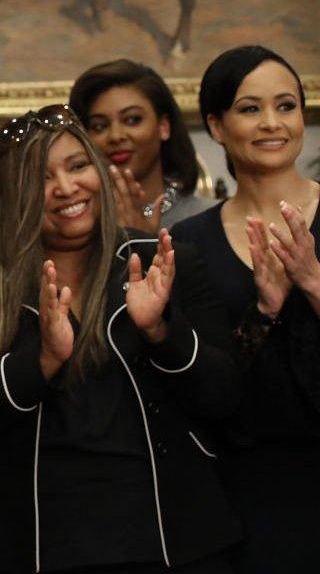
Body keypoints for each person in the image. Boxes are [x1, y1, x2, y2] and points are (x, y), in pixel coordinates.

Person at [0, 106, 241, 573]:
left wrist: (161, 332)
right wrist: (40, 362)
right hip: (34, 540)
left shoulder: (164, 260)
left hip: (169, 535)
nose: (66, 188)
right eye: (42, 177)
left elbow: (225, 397)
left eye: (78, 166)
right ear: (15, 195)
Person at [170, 45, 320, 574]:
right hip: (247, 488)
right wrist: (266, 308)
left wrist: (313, 282)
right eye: (250, 109)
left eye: (287, 105)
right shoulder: (188, 243)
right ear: (215, 124)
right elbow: (204, 385)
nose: (273, 123)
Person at [69, 59, 216, 233]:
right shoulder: (75, 226)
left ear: (163, 127)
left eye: (132, 120)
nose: (116, 136)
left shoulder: (210, 221)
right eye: (99, 126)